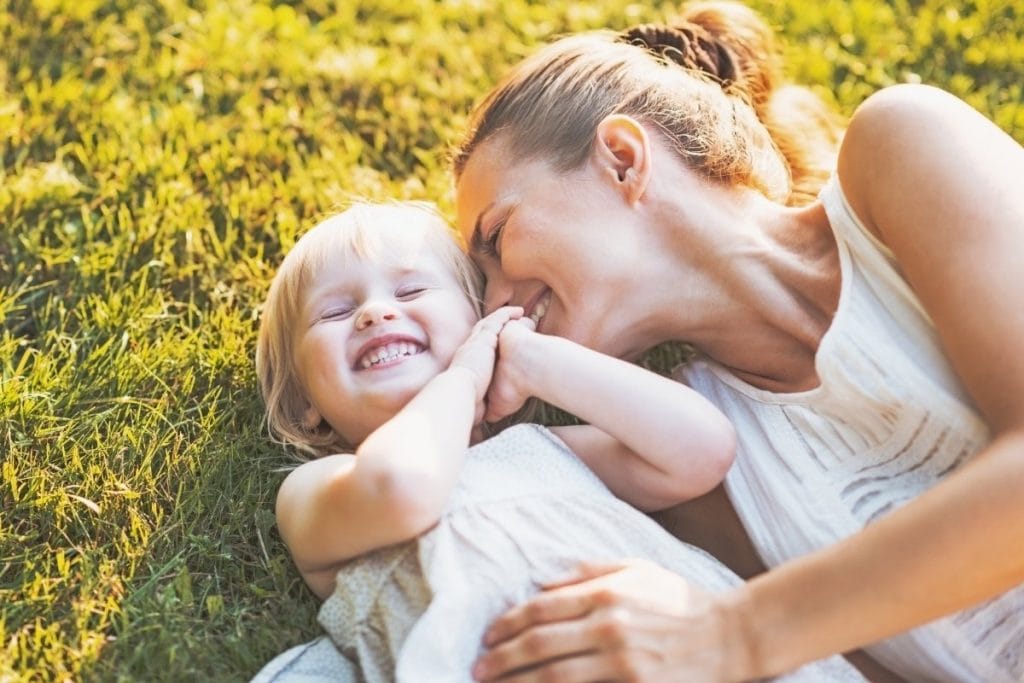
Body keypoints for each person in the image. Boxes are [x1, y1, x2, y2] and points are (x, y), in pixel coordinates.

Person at [451, 1, 1024, 681]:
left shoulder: (904, 146)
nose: (494, 302)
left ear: (623, 159)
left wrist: (737, 631)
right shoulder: (696, 473)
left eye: (497, 237)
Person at [248, 202, 862, 682]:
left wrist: (535, 360)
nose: (376, 315)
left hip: (676, 650)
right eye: (334, 313)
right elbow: (405, 488)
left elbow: (702, 449)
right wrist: (463, 378)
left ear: (476, 321)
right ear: (309, 409)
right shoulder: (321, 489)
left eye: (409, 293)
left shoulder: (546, 450)